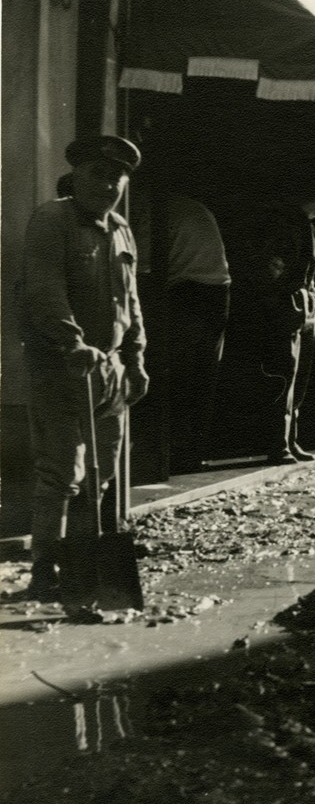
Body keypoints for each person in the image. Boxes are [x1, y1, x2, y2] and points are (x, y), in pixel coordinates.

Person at [17, 135, 148, 601]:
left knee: (102, 474)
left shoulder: (120, 229)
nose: (108, 184)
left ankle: (85, 562)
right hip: (62, 367)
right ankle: (44, 568)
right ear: (77, 177)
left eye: (117, 177)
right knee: (61, 474)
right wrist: (72, 343)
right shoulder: (53, 220)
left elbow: (130, 301)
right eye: (98, 174)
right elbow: (43, 289)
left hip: (109, 371)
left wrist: (135, 359)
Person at [256, 176, 315, 464]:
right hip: (289, 307)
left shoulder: (304, 224)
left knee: (298, 378)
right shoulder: (289, 224)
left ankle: (290, 439)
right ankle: (279, 444)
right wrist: (284, 300)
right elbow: (274, 268)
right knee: (285, 375)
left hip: (301, 308)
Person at [160, 191, 230, 475]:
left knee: (176, 375)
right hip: (216, 287)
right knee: (201, 374)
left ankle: (174, 452)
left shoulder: (159, 210)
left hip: (187, 289)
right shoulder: (194, 207)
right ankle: (193, 452)